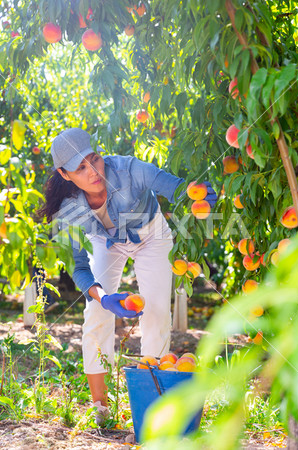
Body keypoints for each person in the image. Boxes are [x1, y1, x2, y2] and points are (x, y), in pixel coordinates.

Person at [38, 127, 217, 425]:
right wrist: (105, 298)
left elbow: (176, 187)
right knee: (96, 313)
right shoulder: (67, 211)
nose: (93, 171)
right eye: (80, 168)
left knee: (156, 312)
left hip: (151, 234)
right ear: (65, 174)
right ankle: (101, 408)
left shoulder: (129, 169)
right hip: (105, 241)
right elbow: (80, 268)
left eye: (94, 159)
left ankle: (155, 406)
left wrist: (198, 195)